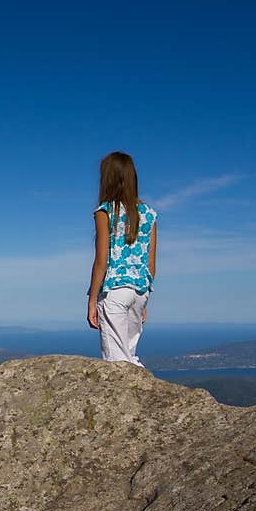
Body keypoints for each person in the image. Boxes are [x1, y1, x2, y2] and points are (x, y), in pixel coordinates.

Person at [86, 152, 157, 366]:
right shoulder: (149, 214)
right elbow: (151, 265)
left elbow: (101, 261)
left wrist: (91, 301)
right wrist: (143, 301)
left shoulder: (105, 212)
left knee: (116, 364)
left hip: (115, 291)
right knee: (130, 356)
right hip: (140, 292)